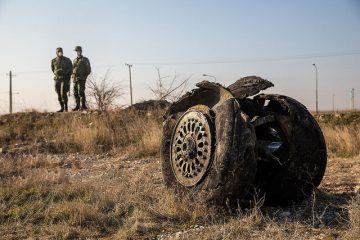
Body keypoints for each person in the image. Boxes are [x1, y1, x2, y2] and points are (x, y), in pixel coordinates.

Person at [51, 47, 73, 112]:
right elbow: (53, 69)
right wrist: (57, 72)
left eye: (61, 52)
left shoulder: (67, 60)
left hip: (65, 79)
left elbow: (71, 69)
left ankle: (66, 108)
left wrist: (64, 72)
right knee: (58, 94)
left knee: (63, 93)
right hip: (57, 79)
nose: (60, 53)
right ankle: (62, 108)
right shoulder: (53, 60)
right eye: (59, 52)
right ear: (56, 53)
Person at [72, 46, 91, 110]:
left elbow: (88, 70)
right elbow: (73, 69)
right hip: (75, 78)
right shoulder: (74, 60)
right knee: (75, 92)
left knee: (81, 92)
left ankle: (83, 106)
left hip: (81, 78)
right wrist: (73, 76)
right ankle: (77, 106)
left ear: (81, 51)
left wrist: (84, 77)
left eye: (79, 51)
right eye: (77, 51)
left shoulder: (85, 59)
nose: (78, 52)